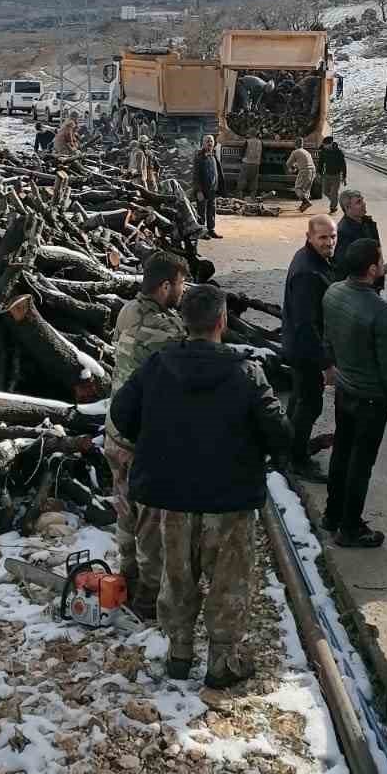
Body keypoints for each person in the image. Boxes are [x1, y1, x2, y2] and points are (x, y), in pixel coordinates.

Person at [111, 283, 291, 688]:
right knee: (228, 581)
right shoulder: (247, 373)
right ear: (221, 321)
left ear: (184, 322)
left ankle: (179, 652)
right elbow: (279, 433)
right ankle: (222, 661)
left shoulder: (157, 367)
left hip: (171, 499)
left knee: (177, 576)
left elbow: (122, 414)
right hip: (228, 500)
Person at [104, 252, 189, 619]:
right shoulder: (164, 330)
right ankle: (147, 598)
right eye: (181, 285)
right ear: (166, 285)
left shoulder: (126, 312)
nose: (183, 292)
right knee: (149, 522)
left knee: (124, 509)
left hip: (114, 432)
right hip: (143, 440)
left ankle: (126, 577)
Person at [321, 239, 387, 548]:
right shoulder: (379, 310)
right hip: (371, 399)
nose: (385, 265)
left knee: (342, 452)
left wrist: (330, 366)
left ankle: (332, 514)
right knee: (361, 463)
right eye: (382, 261)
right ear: (372, 270)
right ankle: (350, 528)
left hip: (345, 390)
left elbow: (327, 335)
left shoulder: (333, 293)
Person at [280, 215, 337, 480]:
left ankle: (287, 447)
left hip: (300, 346)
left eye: (332, 236)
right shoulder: (308, 272)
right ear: (310, 237)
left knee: (299, 400)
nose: (329, 242)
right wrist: (325, 363)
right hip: (305, 350)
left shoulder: (313, 261)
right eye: (323, 237)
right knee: (309, 405)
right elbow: (306, 323)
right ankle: (297, 459)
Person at [333, 188, 382, 281]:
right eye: (359, 202)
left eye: (363, 200)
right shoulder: (343, 232)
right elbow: (344, 267)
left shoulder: (368, 223)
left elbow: (377, 247)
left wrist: (380, 267)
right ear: (347, 208)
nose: (364, 204)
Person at [191, 133, 223, 238]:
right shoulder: (199, 157)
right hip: (202, 189)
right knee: (201, 211)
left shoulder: (214, 155)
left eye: (211, 141)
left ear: (214, 143)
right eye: (207, 141)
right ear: (203, 144)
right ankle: (202, 231)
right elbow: (195, 176)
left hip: (212, 189)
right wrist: (198, 191)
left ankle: (211, 230)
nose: (209, 143)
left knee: (211, 210)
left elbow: (217, 172)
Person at [317, 136, 348, 214]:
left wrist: (344, 177)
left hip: (336, 176)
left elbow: (343, 165)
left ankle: (333, 207)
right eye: (324, 144)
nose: (324, 146)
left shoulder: (338, 152)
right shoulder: (323, 151)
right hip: (326, 175)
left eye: (326, 144)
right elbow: (320, 163)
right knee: (325, 191)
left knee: (334, 192)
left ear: (330, 144)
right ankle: (335, 201)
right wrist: (319, 173)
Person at [286, 138, 316, 214]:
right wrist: (296, 166)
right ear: (302, 144)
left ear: (295, 144)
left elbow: (288, 164)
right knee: (306, 190)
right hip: (313, 171)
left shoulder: (295, 152)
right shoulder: (306, 152)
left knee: (297, 188)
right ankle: (303, 207)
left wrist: (291, 168)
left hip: (305, 171)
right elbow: (303, 161)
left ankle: (307, 202)